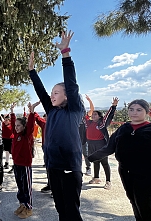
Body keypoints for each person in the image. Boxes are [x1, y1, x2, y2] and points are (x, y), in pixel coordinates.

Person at [28, 30, 85, 221]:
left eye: (57, 92)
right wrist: (32, 71)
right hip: (53, 166)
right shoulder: (51, 111)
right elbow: (40, 91)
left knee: (71, 211)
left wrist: (65, 53)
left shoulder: (74, 110)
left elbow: (71, 83)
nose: (52, 95)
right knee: (60, 209)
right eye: (52, 92)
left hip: (70, 166)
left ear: (67, 95)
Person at [88, 99, 151, 221]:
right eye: (131, 109)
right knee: (135, 203)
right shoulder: (123, 129)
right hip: (127, 174)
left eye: (139, 110)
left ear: (146, 112)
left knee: (148, 209)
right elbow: (109, 148)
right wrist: (89, 158)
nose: (134, 113)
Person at [84, 96, 119, 190]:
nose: (93, 115)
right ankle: (96, 178)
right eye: (93, 114)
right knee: (95, 161)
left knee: (104, 162)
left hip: (101, 144)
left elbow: (108, 116)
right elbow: (85, 115)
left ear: (99, 117)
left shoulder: (101, 124)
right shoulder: (89, 123)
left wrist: (114, 106)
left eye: (96, 114)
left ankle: (108, 181)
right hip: (90, 144)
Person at [11, 102, 38, 219]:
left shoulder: (26, 135)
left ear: (23, 127)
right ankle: (22, 205)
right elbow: (12, 124)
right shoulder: (15, 134)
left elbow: (31, 125)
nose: (16, 127)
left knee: (27, 188)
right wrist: (12, 112)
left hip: (25, 165)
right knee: (20, 187)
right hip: (16, 165)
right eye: (15, 125)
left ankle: (29, 207)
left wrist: (32, 112)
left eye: (18, 126)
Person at [80, 94, 94, 176]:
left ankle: (88, 168)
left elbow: (92, 109)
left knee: (86, 154)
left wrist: (89, 101)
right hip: (76, 139)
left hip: (85, 140)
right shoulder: (75, 118)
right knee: (76, 154)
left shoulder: (86, 118)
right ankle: (77, 169)